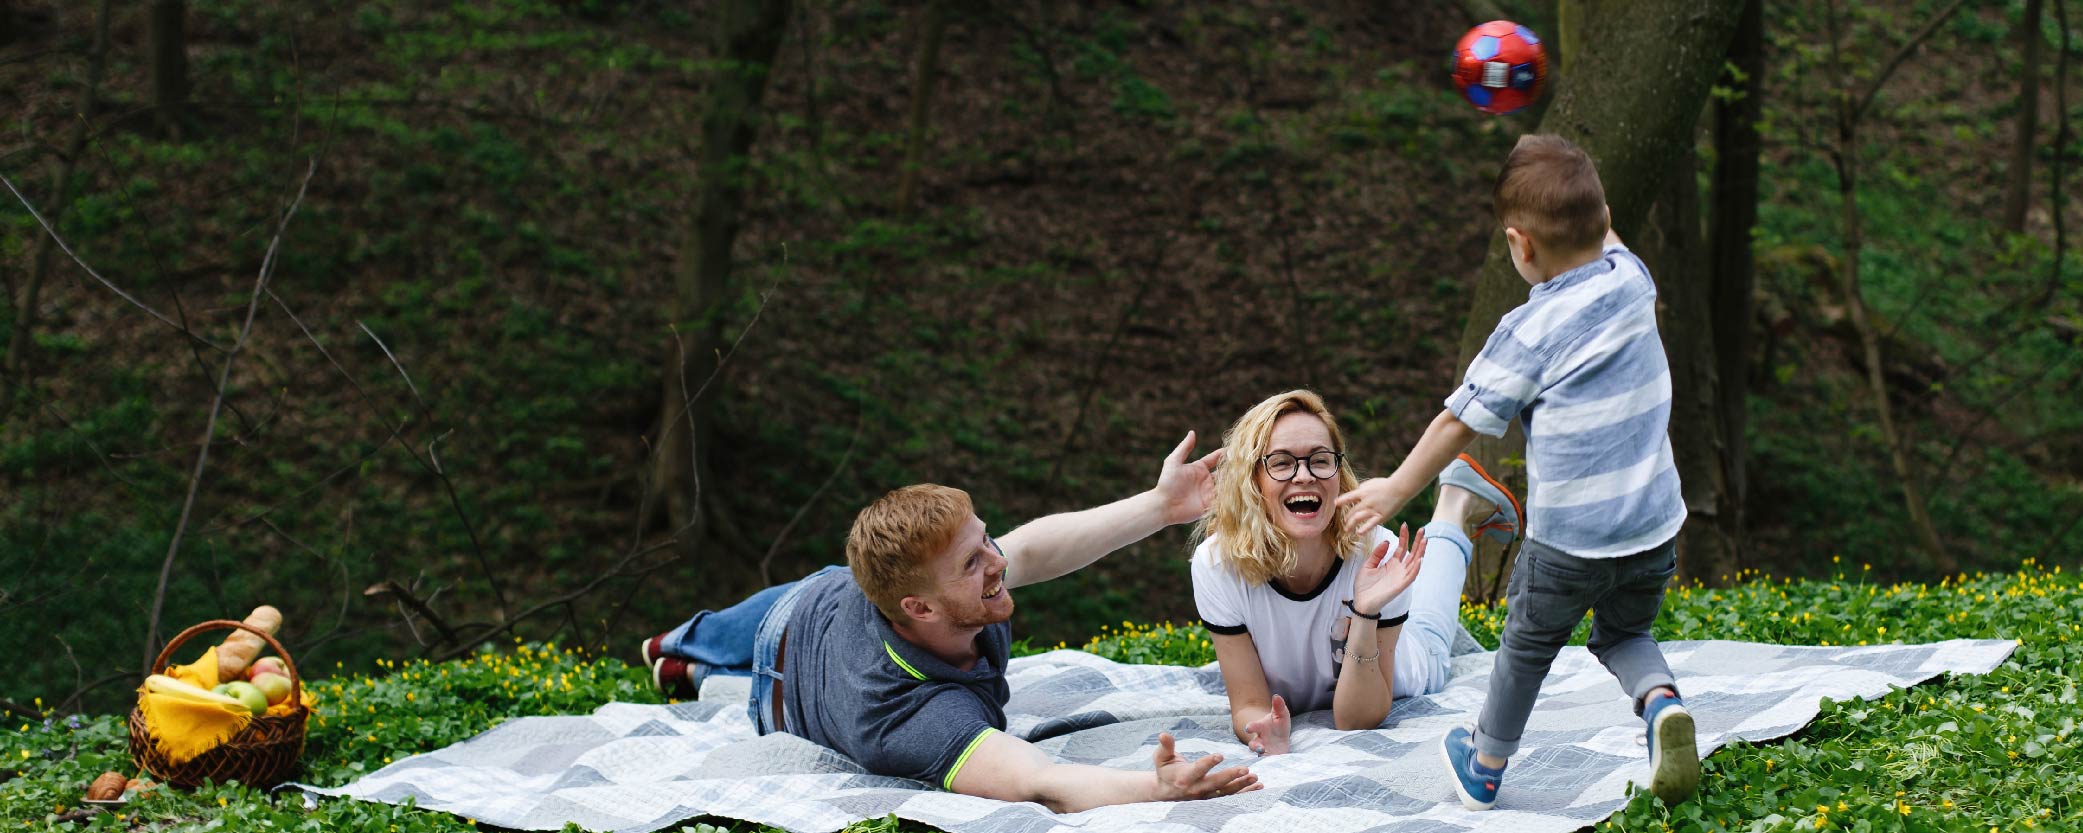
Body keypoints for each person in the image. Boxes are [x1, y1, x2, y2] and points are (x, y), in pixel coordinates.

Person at [1337, 134, 1698, 809]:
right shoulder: (1631, 279)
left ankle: (1484, 761)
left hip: (1569, 543)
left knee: (1525, 648)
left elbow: (1457, 421)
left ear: (1519, 244)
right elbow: (1596, 221)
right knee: (1624, 632)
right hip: (1652, 527)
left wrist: (1393, 486)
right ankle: (1660, 702)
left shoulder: (1526, 332)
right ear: (1602, 219)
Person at [639, 433, 1261, 813]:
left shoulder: (944, 588)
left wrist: (1160, 506)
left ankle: (685, 672)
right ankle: (679, 652)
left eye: (985, 540)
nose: (998, 562)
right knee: (711, 654)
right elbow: (1038, 779)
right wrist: (1153, 790)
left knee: (712, 670)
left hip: (835, 596)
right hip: (786, 639)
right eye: (973, 561)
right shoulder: (910, 715)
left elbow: (1036, 550)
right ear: (920, 608)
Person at [1190, 390, 1521, 755]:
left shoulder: (1375, 549)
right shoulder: (1218, 565)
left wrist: (1365, 614)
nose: (1304, 475)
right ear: (1251, 480)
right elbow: (1249, 703)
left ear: (1338, 471)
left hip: (1406, 665)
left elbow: (1356, 720)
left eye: (1320, 460)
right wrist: (1262, 728)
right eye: (1282, 463)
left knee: (1431, 634)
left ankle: (1455, 501)